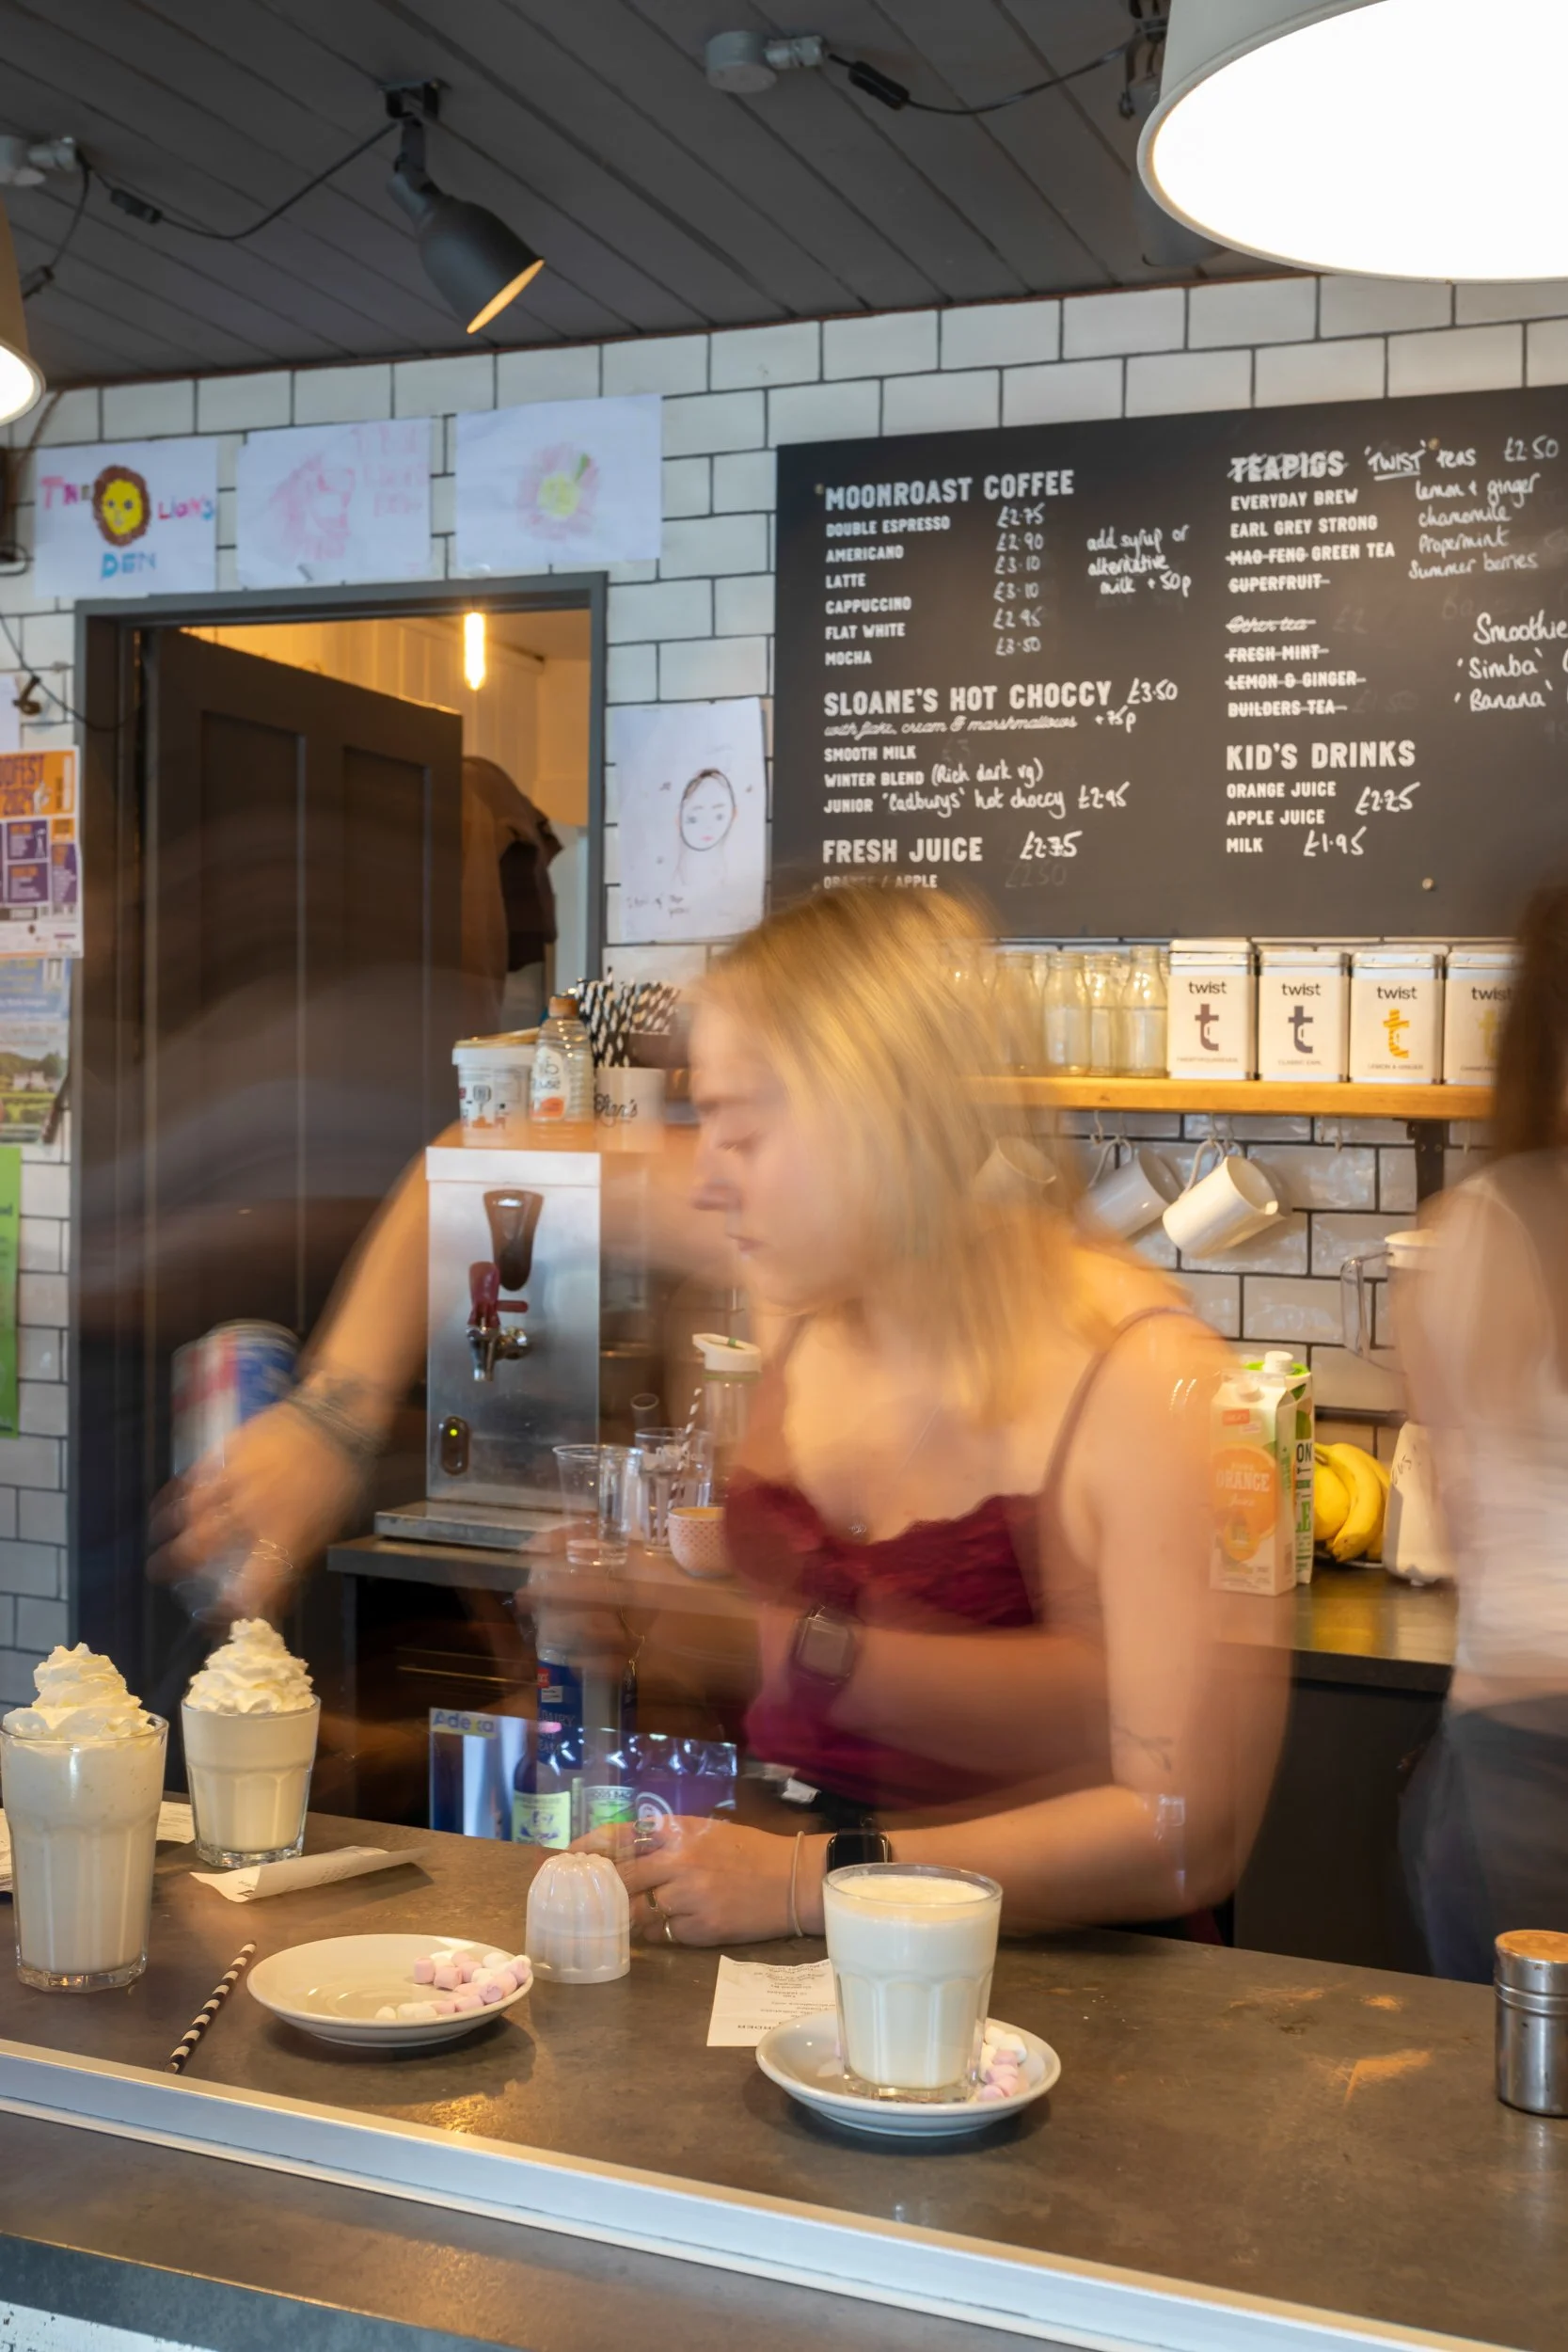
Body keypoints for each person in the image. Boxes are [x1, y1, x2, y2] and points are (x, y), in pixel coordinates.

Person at [583, 883, 1285, 1945]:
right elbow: (484, 1172)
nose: (709, 1181)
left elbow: (1183, 1831)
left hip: (1063, 2016)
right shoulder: (806, 1310)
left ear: (879, 1117)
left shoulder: (1146, 1378)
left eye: (744, 1126)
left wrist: (804, 1880)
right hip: (814, 1969)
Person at [1401, 882, 1568, 1979]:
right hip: (1530, 1781)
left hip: (1512, 1756)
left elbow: (1460, 1521)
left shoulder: (1471, 1226)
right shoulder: (1494, 1229)